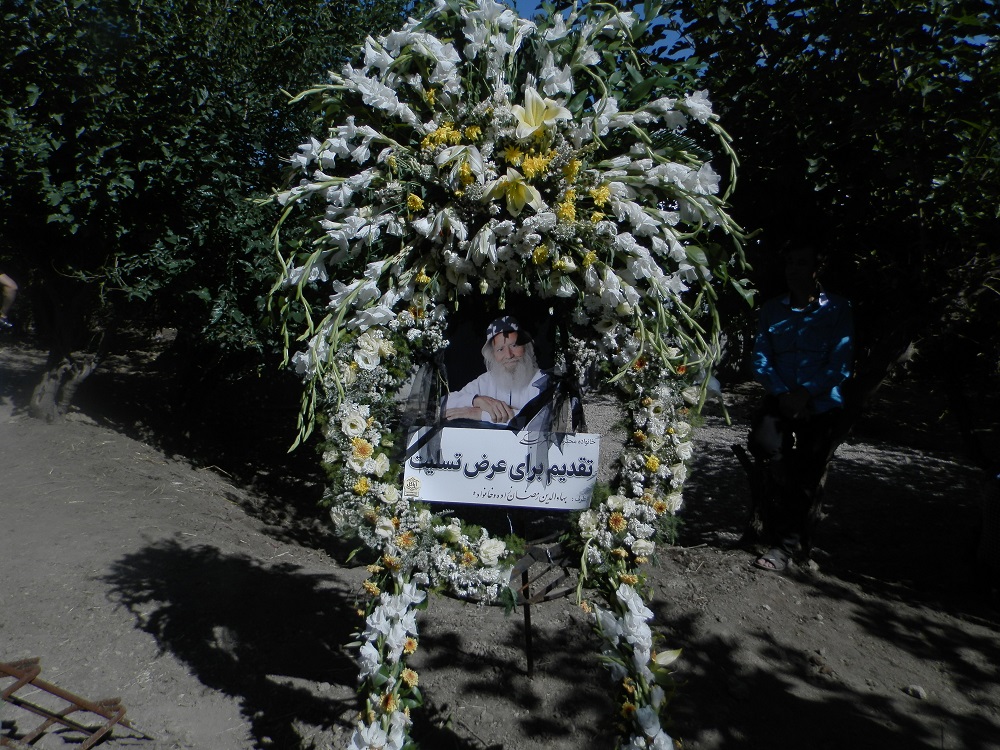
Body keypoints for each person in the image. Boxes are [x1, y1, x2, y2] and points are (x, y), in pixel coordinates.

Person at [748, 244, 853, 572]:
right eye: (790, 262)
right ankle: (782, 475)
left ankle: (784, 547)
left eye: (802, 263)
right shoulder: (772, 309)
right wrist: (784, 395)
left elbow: (840, 363)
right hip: (781, 398)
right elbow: (761, 358)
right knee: (763, 443)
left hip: (819, 403)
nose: (793, 269)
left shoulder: (837, 309)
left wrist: (805, 395)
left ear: (816, 269)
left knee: (806, 475)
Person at [445, 316, 556, 430]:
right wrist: (476, 401)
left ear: (526, 347)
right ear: (493, 354)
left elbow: (540, 422)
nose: (508, 355)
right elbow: (444, 404)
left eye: (514, 345)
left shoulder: (543, 380)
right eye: (500, 349)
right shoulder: (485, 381)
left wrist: (481, 414)